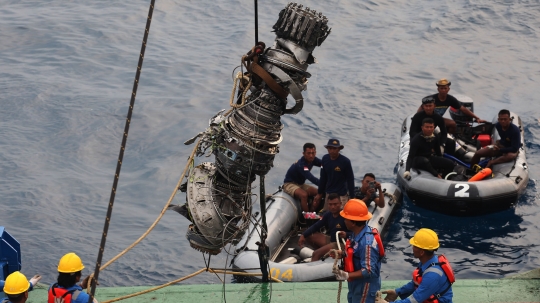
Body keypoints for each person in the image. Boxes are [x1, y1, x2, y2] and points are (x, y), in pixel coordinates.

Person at [330, 199, 383, 303]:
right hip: (356, 284)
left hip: (365, 287)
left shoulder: (367, 244)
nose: (344, 220)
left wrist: (347, 275)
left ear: (353, 222)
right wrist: (343, 254)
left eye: (346, 218)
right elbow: (355, 252)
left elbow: (368, 270)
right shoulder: (356, 234)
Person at [380, 228, 454, 303]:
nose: (412, 248)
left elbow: (414, 301)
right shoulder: (428, 262)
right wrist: (397, 292)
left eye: (415, 246)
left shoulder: (432, 276)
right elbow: (416, 282)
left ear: (422, 252)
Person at [418, 79, 486, 134]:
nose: (443, 90)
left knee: (453, 124)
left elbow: (463, 109)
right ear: (438, 89)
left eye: (445, 88)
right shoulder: (431, 98)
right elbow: (421, 108)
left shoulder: (450, 99)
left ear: (448, 89)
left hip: (438, 118)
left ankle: (450, 138)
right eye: (441, 88)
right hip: (426, 119)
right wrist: (416, 118)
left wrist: (477, 118)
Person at [298, 193, 349, 261]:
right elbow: (316, 226)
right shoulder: (328, 214)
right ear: (328, 205)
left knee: (316, 254)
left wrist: (346, 234)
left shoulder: (345, 216)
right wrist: (303, 235)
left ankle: (317, 257)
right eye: (330, 204)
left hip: (341, 244)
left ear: (340, 204)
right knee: (309, 235)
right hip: (331, 240)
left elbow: (355, 233)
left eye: (335, 204)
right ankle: (323, 254)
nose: (333, 207)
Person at [315, 139, 355, 210]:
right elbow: (323, 177)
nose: (332, 151)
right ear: (327, 149)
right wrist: (319, 193)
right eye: (330, 148)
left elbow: (350, 179)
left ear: (339, 149)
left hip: (341, 195)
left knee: (340, 216)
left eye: (335, 148)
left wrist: (352, 197)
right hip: (329, 193)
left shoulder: (346, 162)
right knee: (327, 214)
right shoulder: (325, 159)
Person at [283, 143, 322, 212]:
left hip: (300, 184)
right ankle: (307, 217)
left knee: (319, 192)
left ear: (315, 153)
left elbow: (324, 164)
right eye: (308, 153)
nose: (311, 155)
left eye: (313, 153)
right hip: (289, 184)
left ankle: (312, 212)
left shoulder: (313, 159)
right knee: (304, 195)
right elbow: (310, 177)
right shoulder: (302, 165)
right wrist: (324, 185)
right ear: (303, 153)